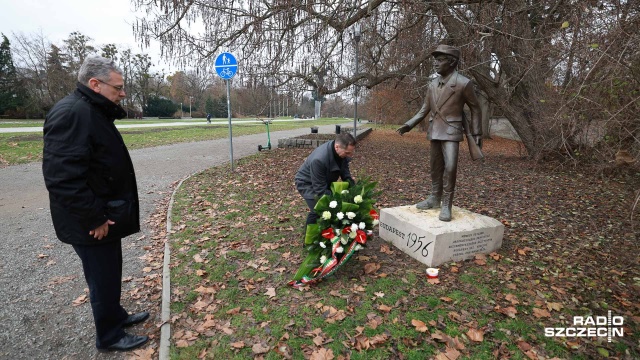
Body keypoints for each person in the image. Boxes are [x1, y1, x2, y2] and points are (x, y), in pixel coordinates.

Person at [42, 56, 149, 352]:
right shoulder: (72, 113)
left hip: (104, 214)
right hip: (91, 221)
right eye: (118, 87)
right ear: (95, 84)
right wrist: (94, 219)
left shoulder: (91, 109)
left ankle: (117, 316)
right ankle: (110, 336)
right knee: (101, 278)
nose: (123, 92)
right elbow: (62, 178)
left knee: (110, 270)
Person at [397, 44, 482, 222]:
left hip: (452, 130)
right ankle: (435, 198)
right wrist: (408, 125)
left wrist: (476, 134)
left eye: (440, 60)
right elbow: (423, 110)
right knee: (435, 168)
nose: (435, 63)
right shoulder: (432, 84)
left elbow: (475, 108)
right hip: (435, 130)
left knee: (450, 167)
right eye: (435, 60)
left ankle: (446, 204)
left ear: (452, 62)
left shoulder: (463, 83)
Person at [295, 133, 357, 232]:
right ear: (337, 147)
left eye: (351, 152)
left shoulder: (341, 153)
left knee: (330, 207)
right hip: (307, 183)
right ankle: (309, 240)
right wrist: (337, 200)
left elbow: (345, 172)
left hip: (323, 180)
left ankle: (329, 234)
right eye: (347, 153)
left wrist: (354, 188)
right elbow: (320, 190)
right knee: (318, 208)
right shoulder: (319, 159)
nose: (349, 155)